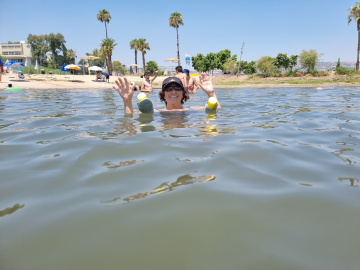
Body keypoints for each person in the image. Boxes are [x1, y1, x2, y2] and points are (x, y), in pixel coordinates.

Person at [113, 73, 221, 114]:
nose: (173, 91)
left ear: (183, 93)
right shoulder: (155, 111)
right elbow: (129, 117)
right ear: (163, 95)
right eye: (169, 89)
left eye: (177, 88)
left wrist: (211, 94)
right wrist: (127, 101)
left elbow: (218, 110)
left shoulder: (193, 109)